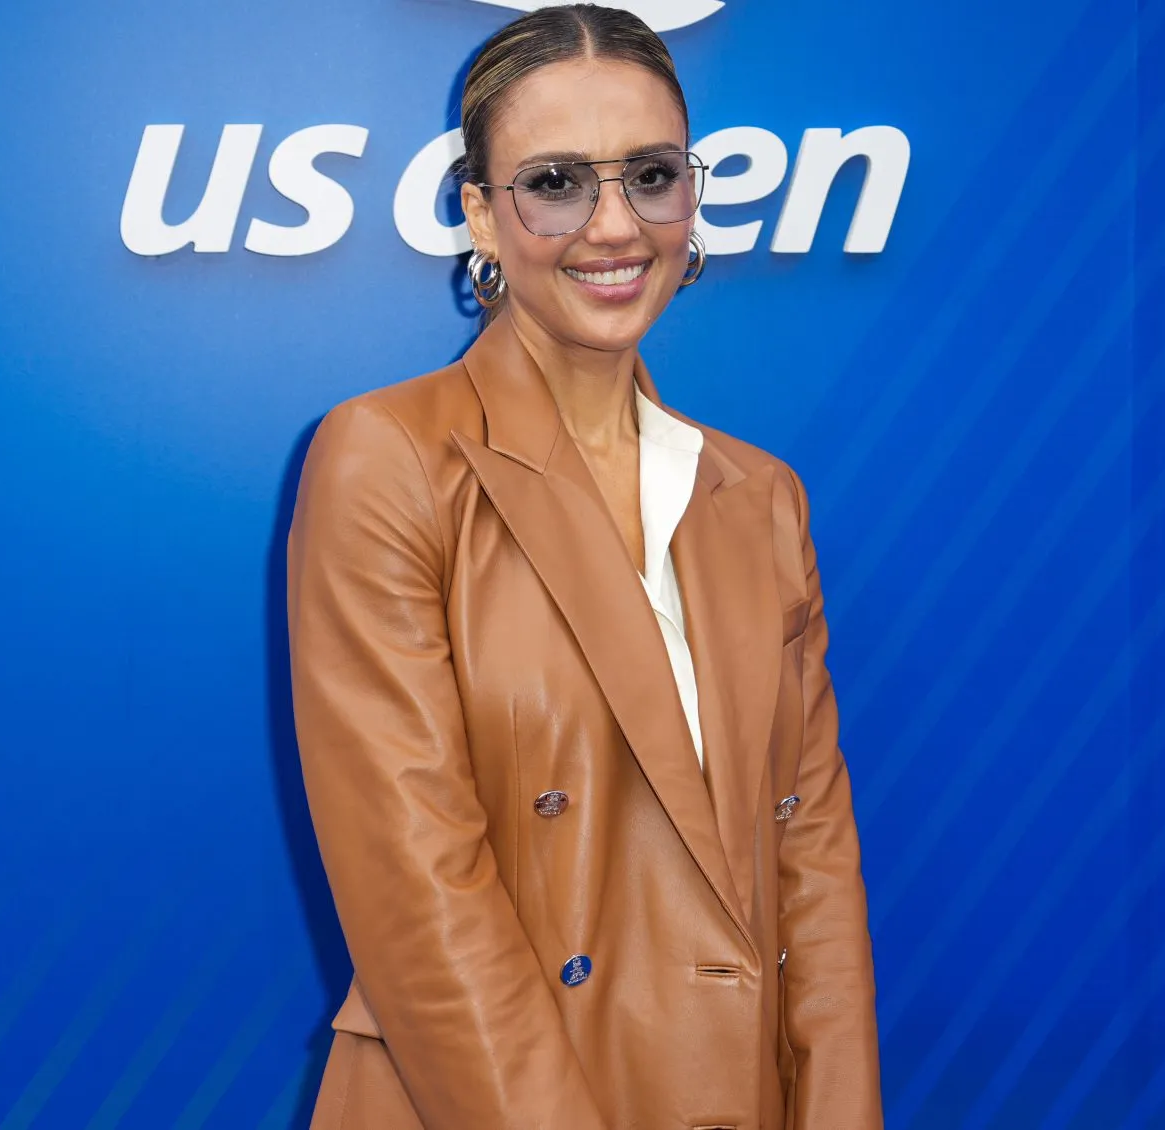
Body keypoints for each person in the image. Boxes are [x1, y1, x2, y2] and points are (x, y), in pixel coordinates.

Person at [285, 6, 882, 1126]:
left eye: (649, 175)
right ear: (478, 209)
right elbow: (419, 889)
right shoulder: (388, 458)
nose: (613, 226)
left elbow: (811, 870)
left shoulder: (757, 497)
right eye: (556, 181)